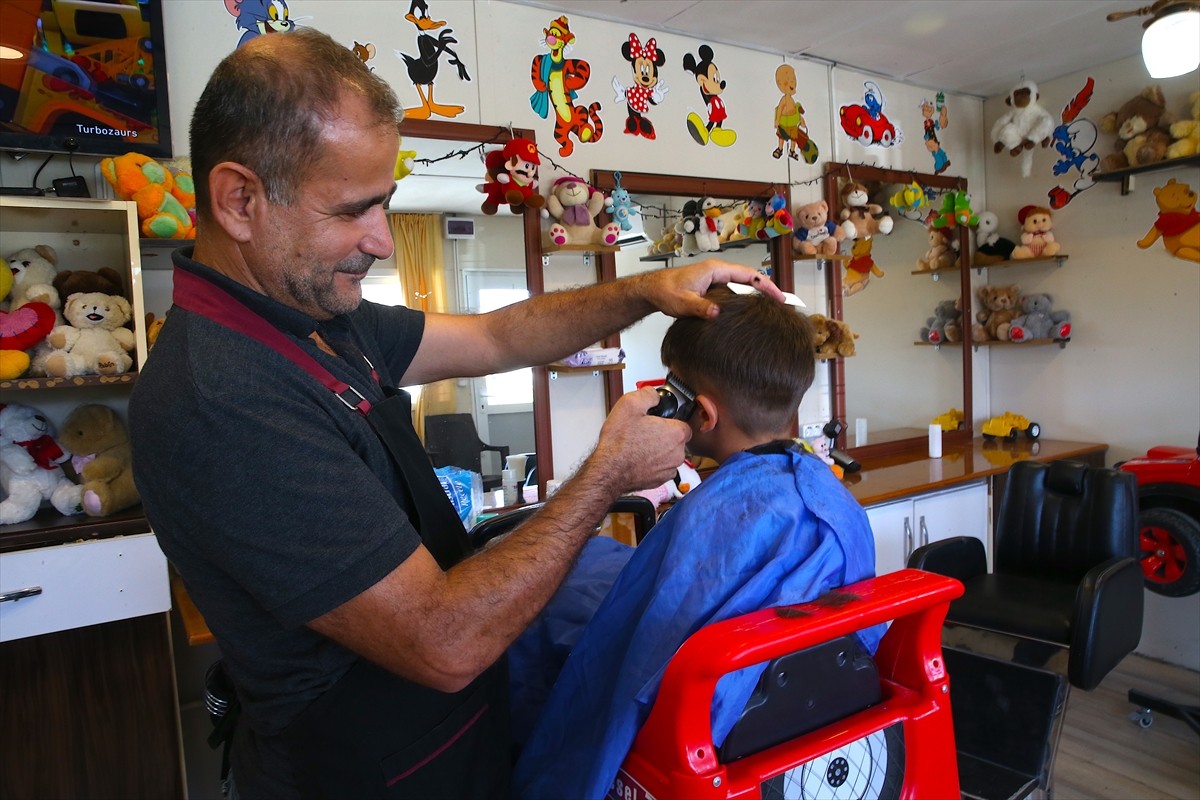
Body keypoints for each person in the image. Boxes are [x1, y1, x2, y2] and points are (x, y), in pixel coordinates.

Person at [128, 27, 783, 800]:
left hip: (450, 747)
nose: (381, 241)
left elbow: (496, 335)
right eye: (353, 210)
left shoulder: (318, 318)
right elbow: (443, 642)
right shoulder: (224, 397)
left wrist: (644, 290)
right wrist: (606, 475)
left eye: (385, 204)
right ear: (240, 200)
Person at [510, 287, 883, 800]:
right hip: (813, 712)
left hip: (711, 731)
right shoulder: (830, 495)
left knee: (542, 620)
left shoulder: (714, 515)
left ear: (701, 415)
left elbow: (637, 662)